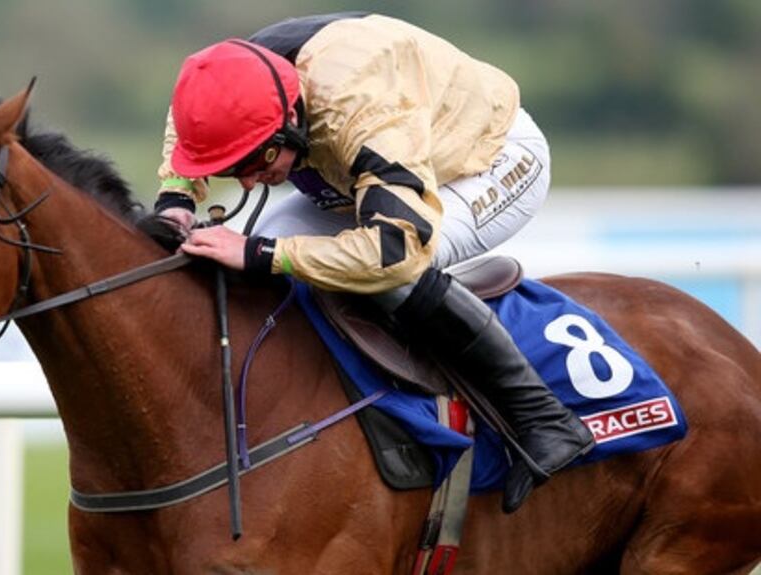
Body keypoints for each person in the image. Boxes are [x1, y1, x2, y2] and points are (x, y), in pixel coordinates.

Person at [153, 12, 594, 513]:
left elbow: (395, 252)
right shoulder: (233, 81)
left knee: (379, 278)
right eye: (237, 170)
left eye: (257, 163)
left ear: (291, 121)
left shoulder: (358, 103)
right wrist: (176, 198)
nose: (250, 183)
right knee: (259, 257)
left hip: (486, 160)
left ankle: (544, 418)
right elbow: (188, 123)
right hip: (361, 170)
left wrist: (263, 254)